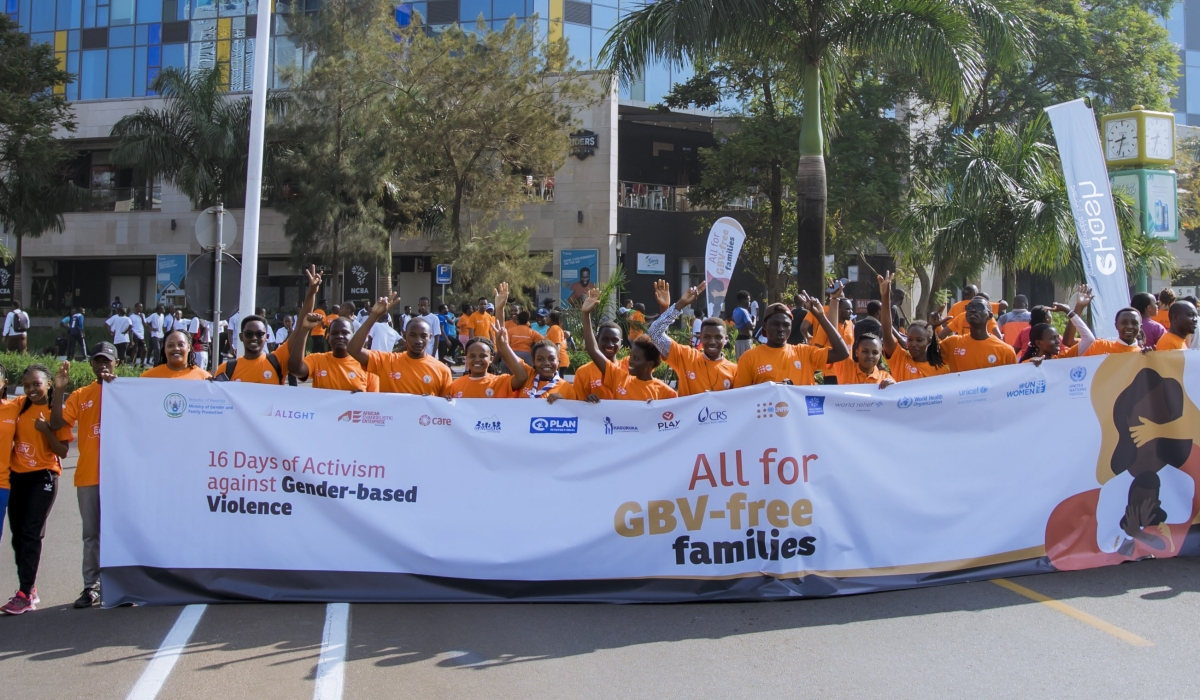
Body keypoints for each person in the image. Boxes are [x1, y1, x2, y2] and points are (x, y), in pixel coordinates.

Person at [49, 344, 117, 608]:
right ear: (91, 364)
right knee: (92, 535)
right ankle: (92, 586)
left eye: (107, 361)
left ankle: (120, 585)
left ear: (116, 363)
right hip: (89, 476)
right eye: (98, 361)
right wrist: (60, 390)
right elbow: (56, 425)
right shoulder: (81, 395)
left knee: (119, 533)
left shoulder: (127, 390)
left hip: (120, 479)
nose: (102, 365)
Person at [1, 365, 72, 615]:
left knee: (31, 534)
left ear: (48, 384)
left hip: (43, 477)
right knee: (18, 535)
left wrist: (46, 431)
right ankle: (29, 590)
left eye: (37, 384)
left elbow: (62, 451)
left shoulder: (55, 411)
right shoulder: (20, 405)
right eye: (27, 385)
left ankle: (25, 593)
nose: (32, 389)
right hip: (17, 478)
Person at [346, 291, 453, 396]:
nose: (418, 341)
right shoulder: (387, 361)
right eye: (413, 335)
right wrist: (374, 316)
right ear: (405, 336)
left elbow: (444, 409)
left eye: (423, 336)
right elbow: (353, 350)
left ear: (430, 338)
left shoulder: (443, 371)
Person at [579, 288, 676, 401]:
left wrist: (653, 409)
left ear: (649, 364)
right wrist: (586, 314)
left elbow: (661, 343)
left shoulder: (666, 393)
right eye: (631, 356)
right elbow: (593, 350)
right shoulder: (620, 379)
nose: (630, 361)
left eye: (636, 358)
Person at [734, 293, 850, 387]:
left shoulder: (805, 353)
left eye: (786, 325)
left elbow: (842, 353)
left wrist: (820, 316)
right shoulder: (749, 358)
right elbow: (742, 398)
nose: (781, 329)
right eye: (775, 324)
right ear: (764, 326)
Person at [648, 280, 737, 395]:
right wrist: (680, 304)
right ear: (700, 337)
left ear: (726, 339)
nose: (712, 342)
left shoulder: (735, 371)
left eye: (718, 337)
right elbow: (654, 333)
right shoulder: (687, 357)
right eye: (707, 337)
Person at [878, 273, 948, 381]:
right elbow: (887, 331)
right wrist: (885, 296)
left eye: (919, 340)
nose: (913, 344)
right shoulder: (899, 358)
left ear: (929, 341)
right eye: (909, 339)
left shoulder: (941, 371)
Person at [446, 324, 527, 399]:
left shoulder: (500, 382)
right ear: (466, 358)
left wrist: (505, 346)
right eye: (472, 356)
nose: (477, 359)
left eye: (482, 356)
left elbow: (521, 377)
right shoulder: (455, 384)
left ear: (491, 359)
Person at [937, 296, 1017, 371]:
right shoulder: (952, 343)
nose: (973, 310)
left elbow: (1012, 381)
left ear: (990, 316)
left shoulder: (1006, 351)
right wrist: (932, 327)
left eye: (979, 307)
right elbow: (928, 357)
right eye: (969, 307)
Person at [215, 315, 291, 384]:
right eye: (249, 334)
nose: (254, 338)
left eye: (259, 334)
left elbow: (300, 331)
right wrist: (210, 386)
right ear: (241, 337)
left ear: (267, 337)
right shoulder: (225, 369)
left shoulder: (278, 362)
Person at [142, 329, 212, 379]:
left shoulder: (204, 378)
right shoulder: (148, 377)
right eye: (170, 345)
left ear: (189, 348)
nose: (176, 348)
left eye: (180, 345)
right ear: (164, 349)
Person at [830, 333, 895, 387]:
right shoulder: (845, 368)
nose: (870, 356)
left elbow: (897, 398)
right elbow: (832, 336)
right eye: (865, 351)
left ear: (880, 356)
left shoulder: (885, 378)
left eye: (875, 353)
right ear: (856, 352)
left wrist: (893, 388)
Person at [544, 311, 571, 376]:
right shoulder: (552, 328)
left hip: (559, 360)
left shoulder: (555, 328)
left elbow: (557, 345)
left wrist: (556, 360)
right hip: (558, 359)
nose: (545, 318)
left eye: (547, 316)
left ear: (551, 318)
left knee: (558, 382)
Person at [732, 291, 755, 359]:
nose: (749, 303)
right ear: (744, 301)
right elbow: (751, 327)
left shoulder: (735, 310)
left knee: (740, 363)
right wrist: (754, 319)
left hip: (740, 340)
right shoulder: (744, 311)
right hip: (745, 341)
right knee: (748, 363)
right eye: (749, 300)